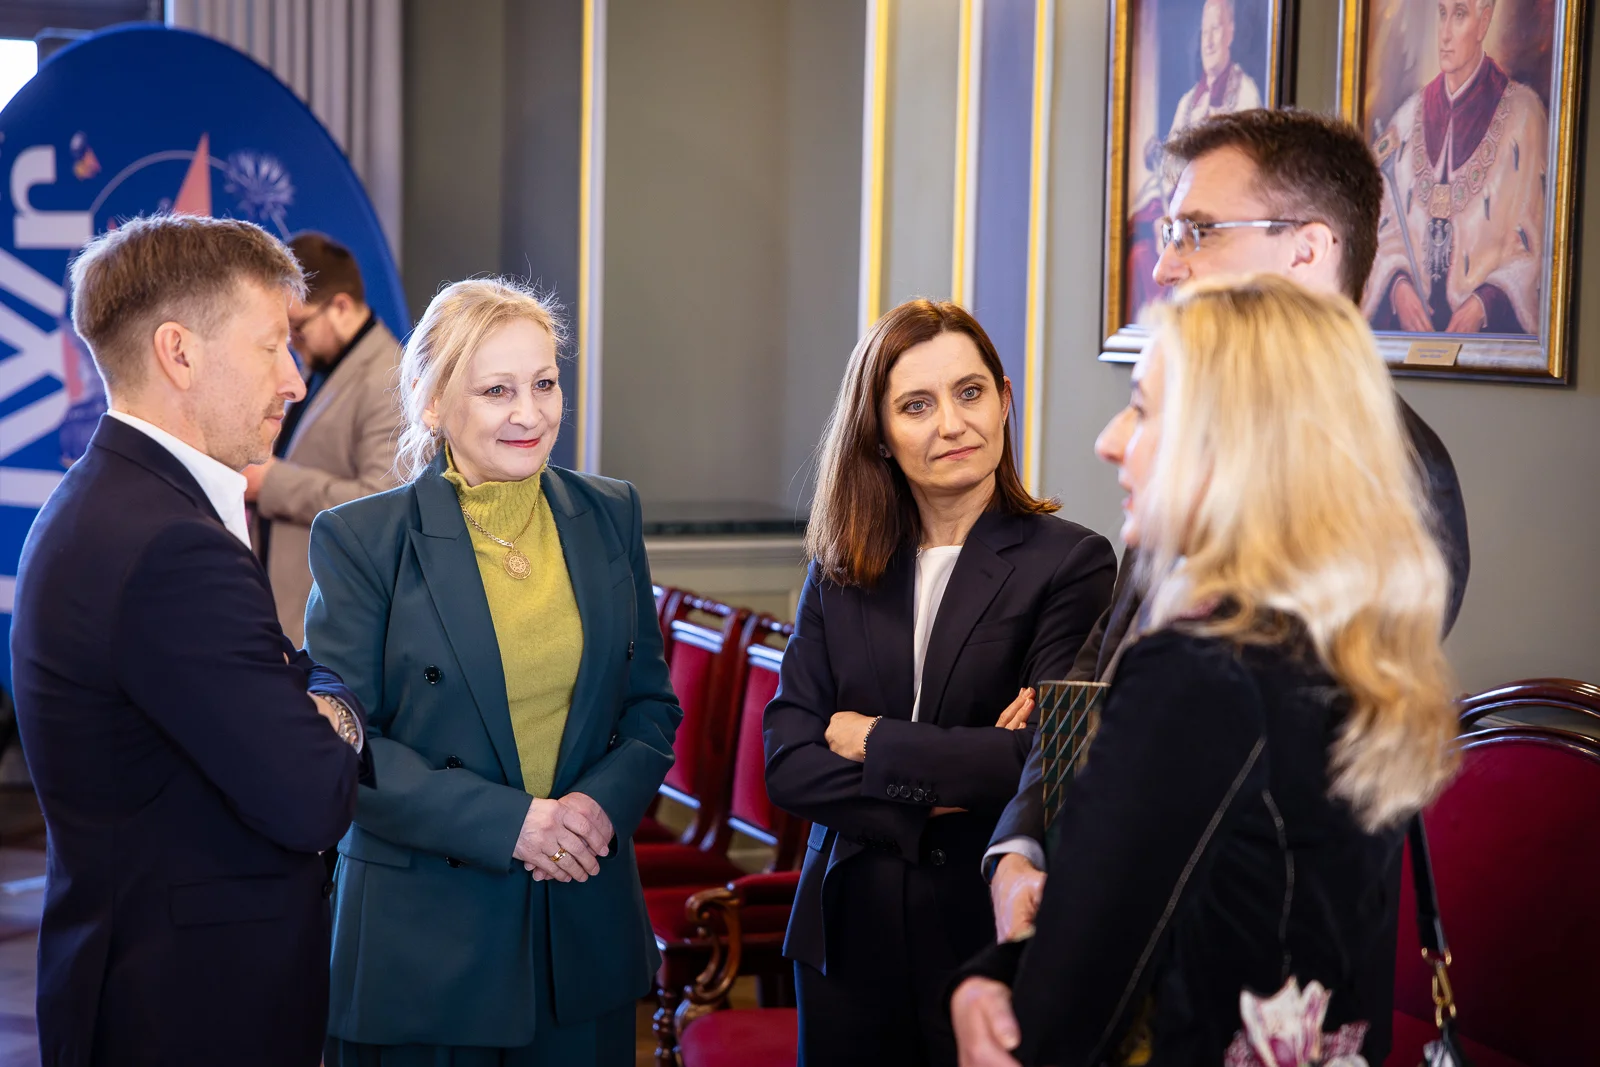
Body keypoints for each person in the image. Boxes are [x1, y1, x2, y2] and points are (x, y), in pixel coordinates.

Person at [982, 108, 1471, 980]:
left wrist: (1097, 895)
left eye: (1198, 231)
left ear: (1307, 251)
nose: (1165, 263)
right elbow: (1101, 662)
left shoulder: (1396, 470)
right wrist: (1024, 845)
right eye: (1170, 231)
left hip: (1247, 967)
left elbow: (1299, 755)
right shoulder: (1189, 437)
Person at [952, 274, 1461, 1065]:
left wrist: (987, 982)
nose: (1110, 438)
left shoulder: (1198, 671)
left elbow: (1071, 1002)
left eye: (1143, 408)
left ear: (1232, 445)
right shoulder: (1353, 641)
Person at [10, 214, 369, 1066]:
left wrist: (306, 696)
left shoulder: (103, 498)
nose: (293, 379)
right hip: (190, 1010)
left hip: (137, 982)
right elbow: (313, 796)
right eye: (271, 345)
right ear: (179, 352)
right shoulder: (171, 543)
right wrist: (341, 709)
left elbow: (281, 688)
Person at [304, 277, 681, 1066]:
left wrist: (595, 808)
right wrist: (515, 824)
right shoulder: (361, 539)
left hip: (579, 925)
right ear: (433, 404)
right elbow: (346, 748)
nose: (530, 413)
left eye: (544, 384)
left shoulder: (610, 513)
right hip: (423, 943)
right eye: (497, 390)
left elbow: (649, 704)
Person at [764, 299, 1116, 1067]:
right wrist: (950, 776)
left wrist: (868, 738)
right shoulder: (840, 566)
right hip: (843, 936)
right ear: (879, 434)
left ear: (1004, 400)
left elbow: (1036, 762)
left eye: (970, 392)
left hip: (978, 934)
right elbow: (788, 761)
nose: (952, 424)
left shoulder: (1070, 562)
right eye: (916, 405)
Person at [246, 231, 405, 645]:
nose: (292, 346)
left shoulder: (388, 379)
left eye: (298, 328)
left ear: (341, 306)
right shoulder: (326, 362)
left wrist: (270, 482)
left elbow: (384, 505)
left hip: (329, 624)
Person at [1364, 0, 1547, 335]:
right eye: (1442, 14)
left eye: (1459, 15)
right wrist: (1399, 287)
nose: (1445, 34)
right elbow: (1382, 231)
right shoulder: (1405, 120)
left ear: (1484, 22)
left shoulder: (1523, 117)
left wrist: (1483, 303)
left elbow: (1533, 245)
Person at [1167, 0, 1262, 137]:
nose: (1208, 43)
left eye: (1215, 28)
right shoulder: (1186, 104)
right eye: (1205, 32)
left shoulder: (1246, 93)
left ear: (1230, 32)